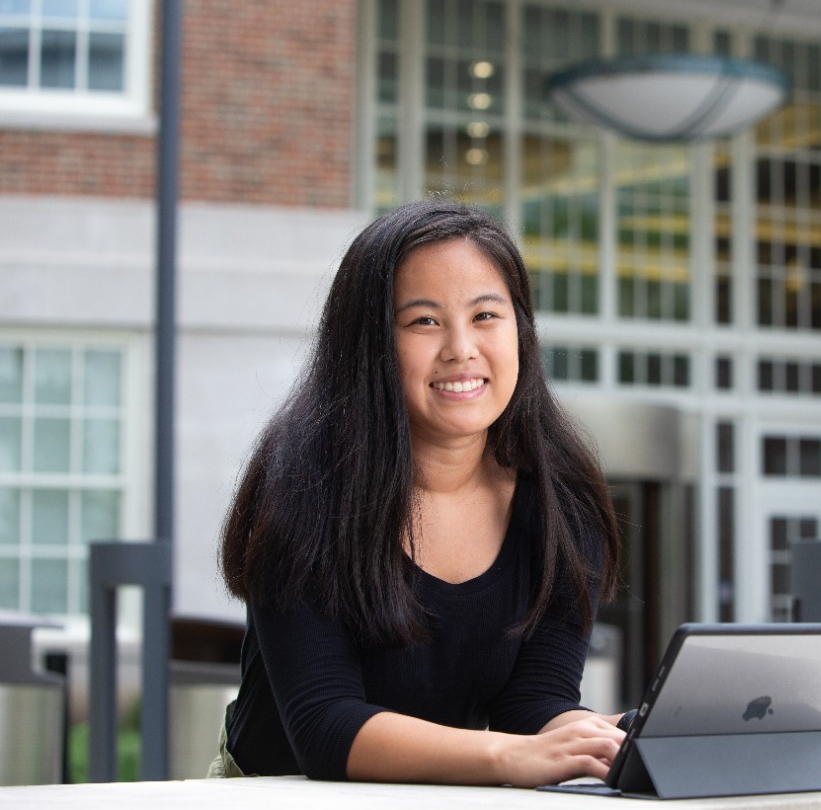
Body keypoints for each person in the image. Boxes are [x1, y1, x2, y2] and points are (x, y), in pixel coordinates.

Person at [214, 200, 625, 786]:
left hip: (440, 796)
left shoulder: (562, 500)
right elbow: (325, 729)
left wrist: (604, 736)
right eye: (424, 321)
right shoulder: (305, 483)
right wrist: (508, 756)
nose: (462, 348)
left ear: (521, 330)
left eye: (486, 315)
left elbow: (533, 707)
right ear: (370, 345)